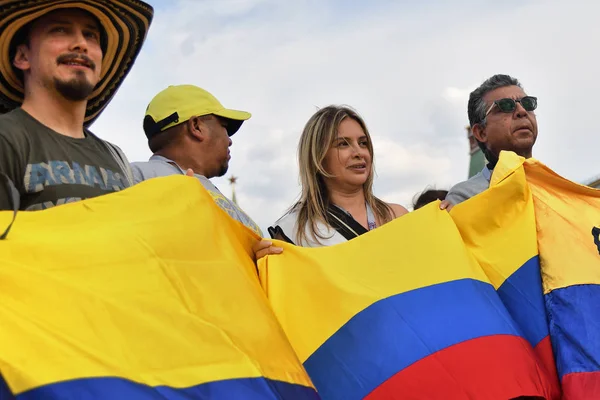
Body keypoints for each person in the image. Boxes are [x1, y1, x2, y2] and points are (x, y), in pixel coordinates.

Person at [0, 0, 153, 215]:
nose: (81, 44)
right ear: (23, 56)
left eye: (91, 35)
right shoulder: (6, 138)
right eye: (60, 30)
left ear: (101, 68)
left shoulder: (116, 158)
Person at [131, 84, 280, 258]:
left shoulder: (137, 177)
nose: (230, 141)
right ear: (196, 126)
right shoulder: (132, 177)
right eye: (225, 127)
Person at [268, 105, 408, 247]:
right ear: (318, 157)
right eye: (343, 144)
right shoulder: (294, 231)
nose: (358, 152)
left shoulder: (397, 216)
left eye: (363, 143)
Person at [442, 74, 538, 208]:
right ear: (481, 132)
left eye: (528, 104)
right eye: (505, 106)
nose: (522, 111)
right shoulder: (465, 199)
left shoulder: (557, 188)